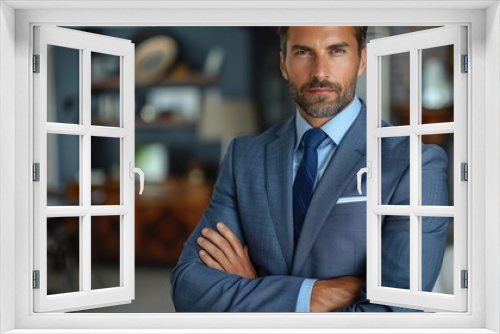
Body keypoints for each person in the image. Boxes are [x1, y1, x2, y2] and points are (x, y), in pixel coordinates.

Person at [170, 26, 449, 312]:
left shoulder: (413, 162)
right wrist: (311, 295)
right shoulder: (244, 157)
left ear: (362, 60)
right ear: (283, 63)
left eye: (337, 51)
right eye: (303, 52)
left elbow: (392, 315)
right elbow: (189, 288)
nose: (320, 72)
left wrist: (258, 289)